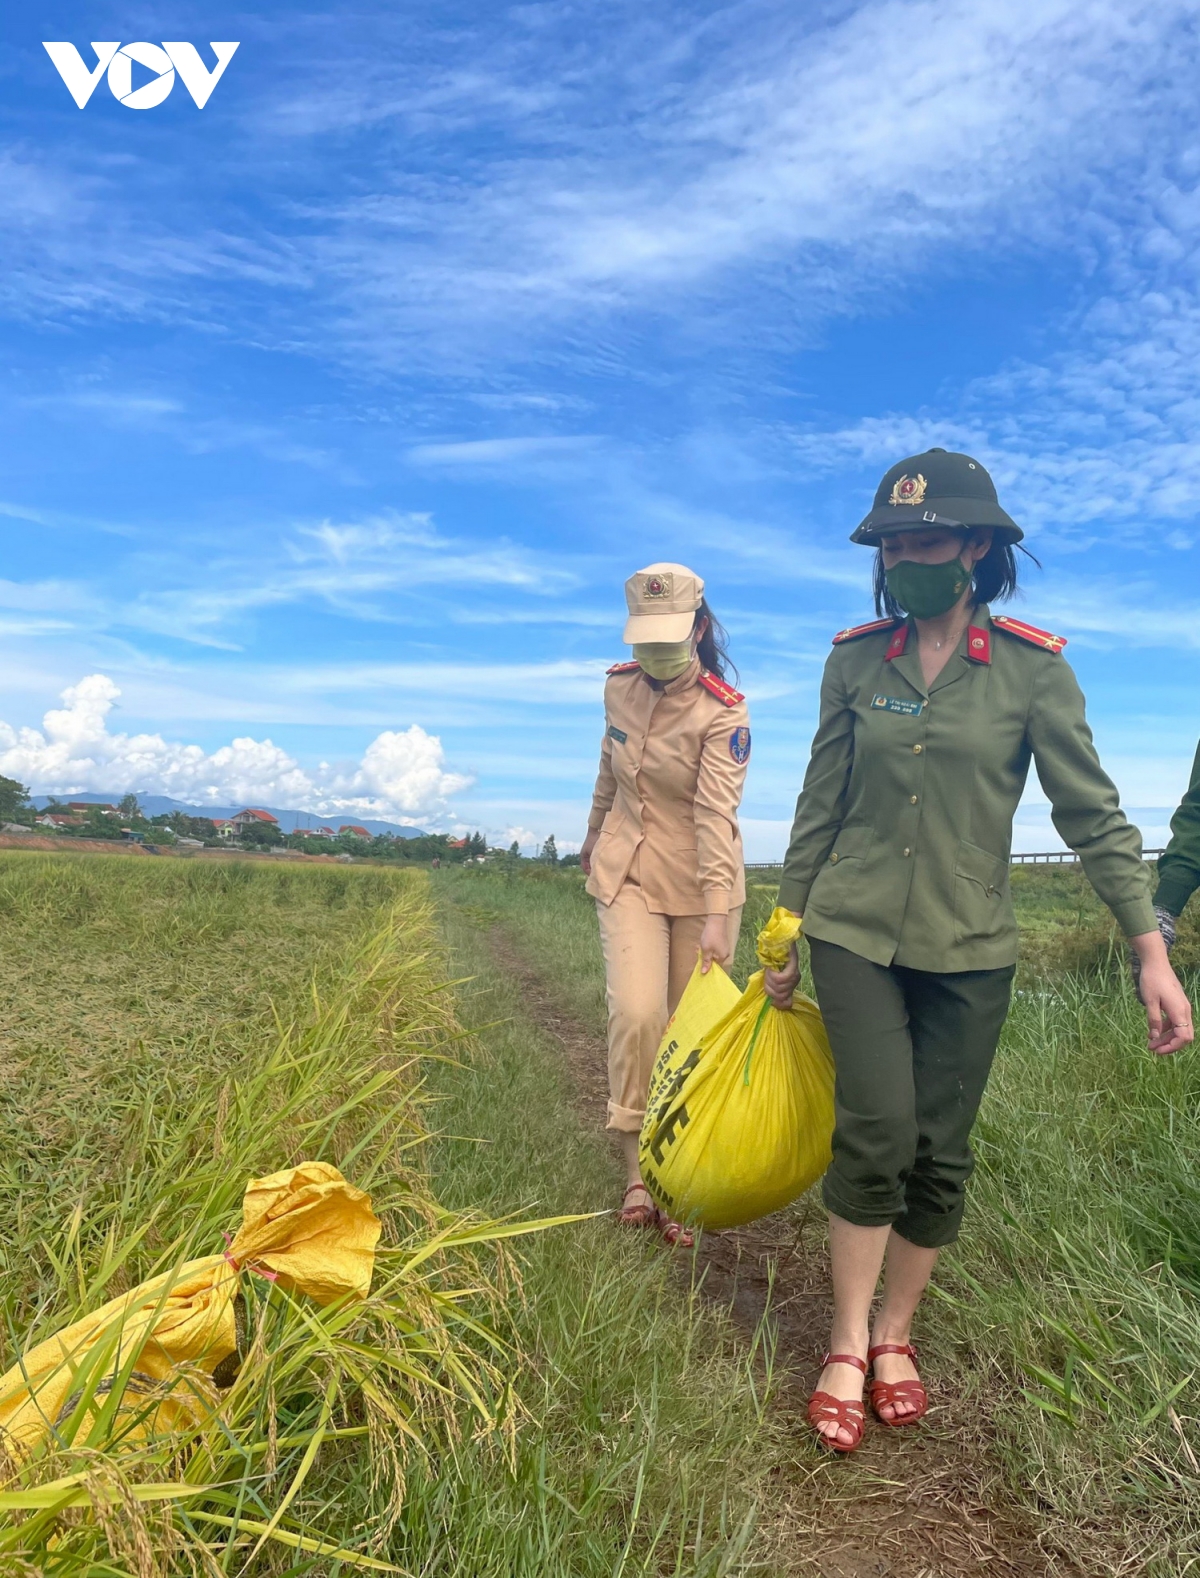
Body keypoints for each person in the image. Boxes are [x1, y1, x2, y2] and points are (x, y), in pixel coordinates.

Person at [763, 448, 1194, 1453]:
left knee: (939, 1150)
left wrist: (1149, 951)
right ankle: (841, 1342)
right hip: (856, 931)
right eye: (895, 543)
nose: (909, 556)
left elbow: (1093, 814)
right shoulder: (854, 661)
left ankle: (894, 1334)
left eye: (928, 539)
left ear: (977, 548)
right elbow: (818, 802)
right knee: (878, 1128)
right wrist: (784, 930)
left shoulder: (1035, 670)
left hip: (971, 945)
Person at [580, 562, 750, 1247]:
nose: (652, 654)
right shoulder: (618, 690)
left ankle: (678, 1176)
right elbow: (606, 762)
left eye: (669, 638)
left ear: (699, 629)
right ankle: (636, 1173)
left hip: (703, 886)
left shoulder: (723, 711)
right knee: (639, 1012)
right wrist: (593, 833)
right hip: (627, 872)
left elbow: (715, 815)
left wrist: (716, 913)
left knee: (691, 1036)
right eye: (643, 639)